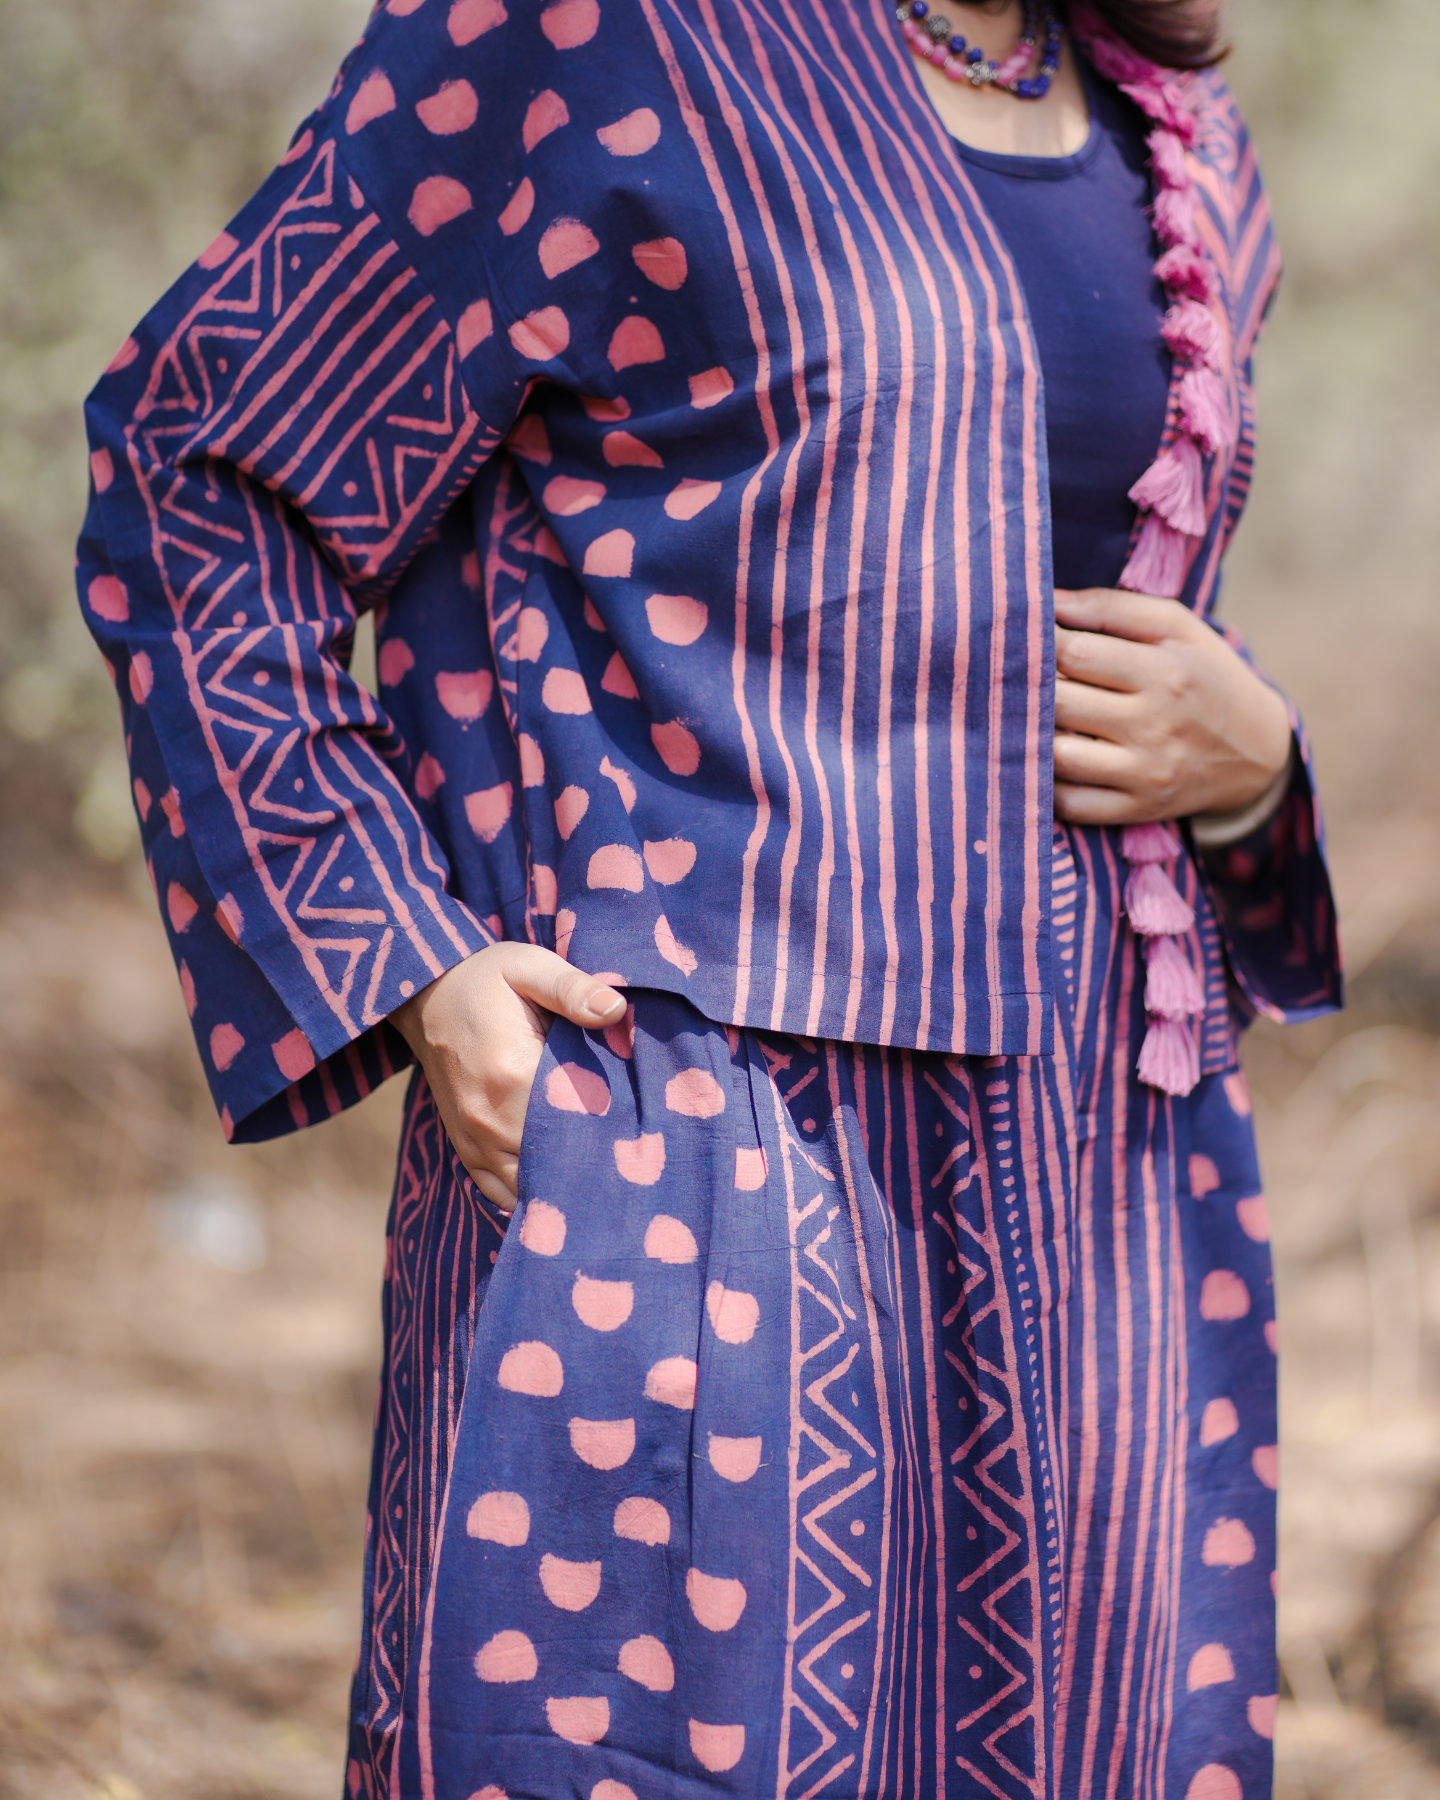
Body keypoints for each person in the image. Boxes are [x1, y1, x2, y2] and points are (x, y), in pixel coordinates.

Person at [77, 0, 1341, 1791]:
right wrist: (404, 958)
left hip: (1108, 1189)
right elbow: (194, 459)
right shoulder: (591, 37)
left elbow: (998, 548)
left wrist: (1258, 756)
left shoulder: (1160, 121)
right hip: (701, 1164)